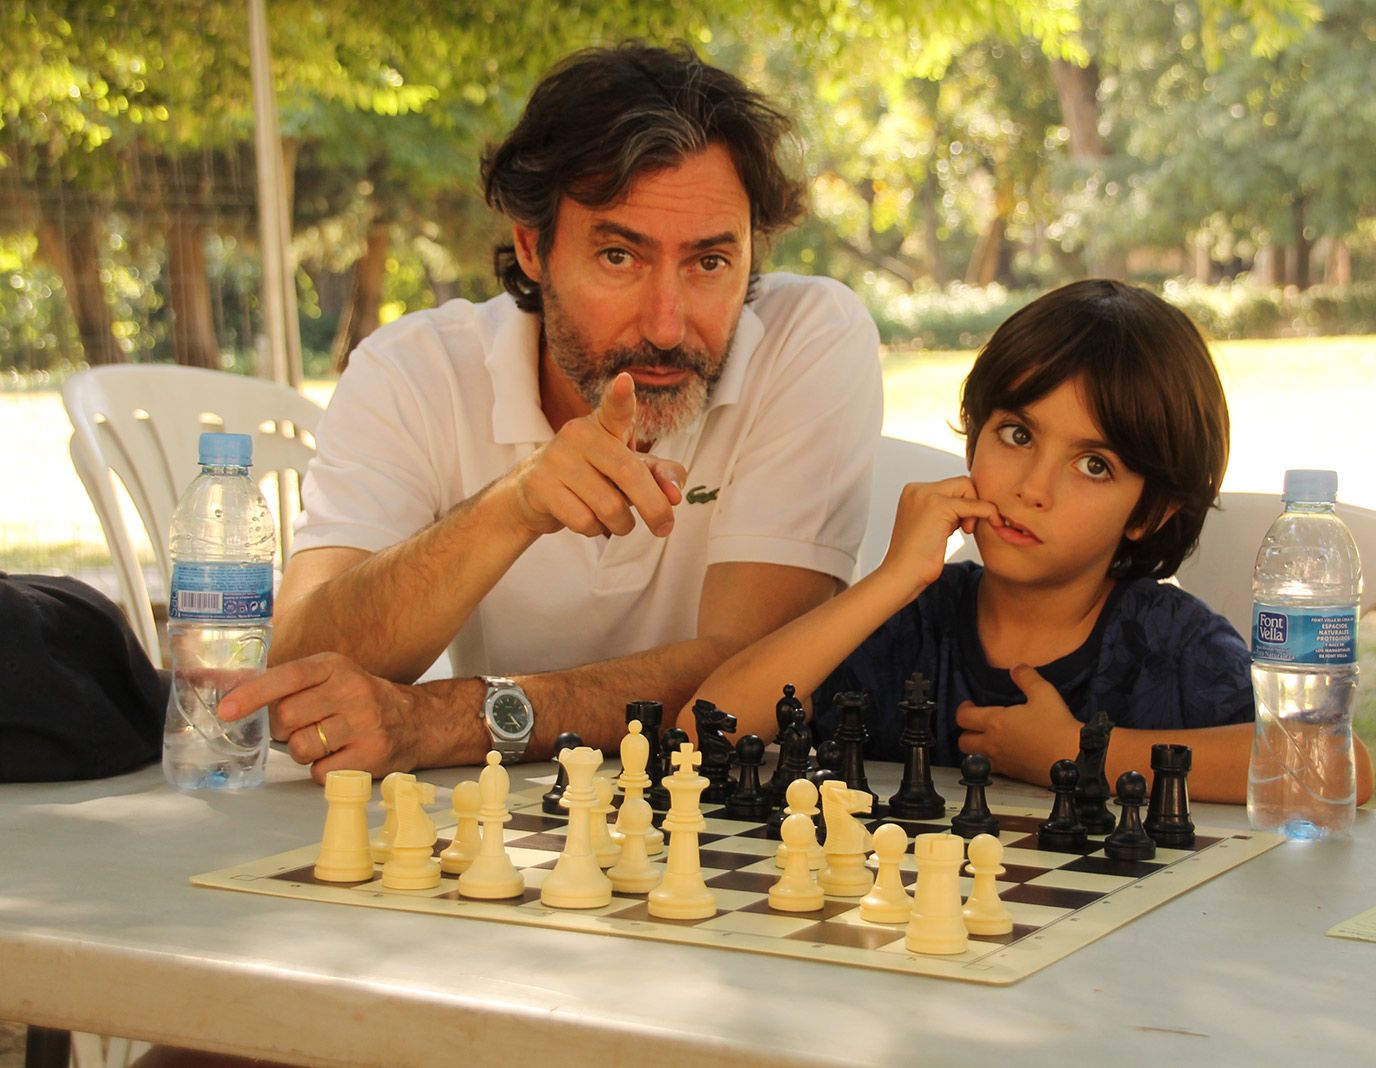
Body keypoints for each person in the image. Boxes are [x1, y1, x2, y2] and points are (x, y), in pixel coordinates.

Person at [217, 43, 882, 781]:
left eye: (709, 263)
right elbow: (299, 670)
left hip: (719, 819)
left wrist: (453, 718)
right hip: (493, 837)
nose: (667, 324)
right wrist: (513, 506)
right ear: (533, 247)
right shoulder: (413, 370)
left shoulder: (810, 338)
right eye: (620, 258)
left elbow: (752, 672)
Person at [687, 279, 1373, 802]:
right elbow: (700, 730)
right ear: (975, 429)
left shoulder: (1168, 647)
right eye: (1017, 435)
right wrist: (892, 578)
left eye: (1093, 465)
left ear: (1149, 511)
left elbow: (1339, 765)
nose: (1032, 487)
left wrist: (1082, 754)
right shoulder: (903, 623)